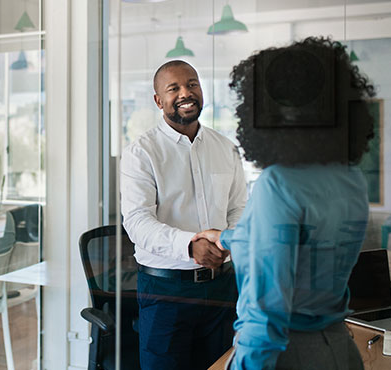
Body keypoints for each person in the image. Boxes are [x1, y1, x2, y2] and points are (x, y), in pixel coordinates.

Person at [194, 37, 375, 370]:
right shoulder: (350, 179)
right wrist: (227, 237)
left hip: (286, 354)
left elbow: (266, 313)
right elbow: (304, 248)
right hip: (341, 348)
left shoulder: (279, 186)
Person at [121, 60, 246, 369]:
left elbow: (240, 209)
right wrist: (190, 246)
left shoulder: (226, 148)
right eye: (173, 88)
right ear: (158, 100)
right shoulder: (142, 152)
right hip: (166, 292)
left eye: (192, 84)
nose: (185, 93)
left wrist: (228, 241)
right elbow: (137, 222)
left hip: (222, 288)